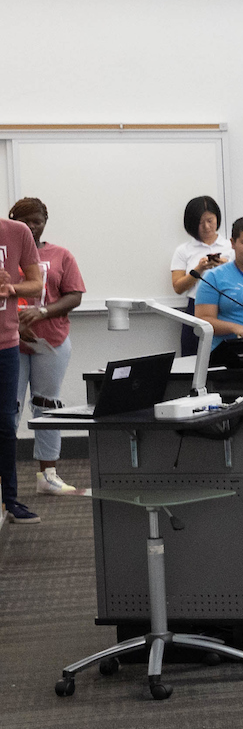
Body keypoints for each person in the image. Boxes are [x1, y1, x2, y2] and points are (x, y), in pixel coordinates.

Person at [10, 198, 84, 498]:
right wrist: (16, 320)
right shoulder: (5, 255)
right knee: (8, 409)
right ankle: (5, 480)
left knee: (47, 406)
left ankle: (48, 475)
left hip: (50, 341)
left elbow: (74, 295)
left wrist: (41, 313)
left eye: (37, 221)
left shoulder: (61, 254)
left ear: (45, 221)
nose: (31, 226)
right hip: (11, 342)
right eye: (25, 221)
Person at [0, 203, 40, 519]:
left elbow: (36, 283)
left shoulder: (17, 232)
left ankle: (10, 500)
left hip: (6, 344)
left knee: (5, 423)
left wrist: (11, 287)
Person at [193, 215, 243, 369]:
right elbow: (202, 321)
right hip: (231, 359)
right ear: (233, 243)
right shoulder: (214, 277)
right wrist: (235, 328)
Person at [169, 194, 233, 298]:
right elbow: (178, 288)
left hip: (227, 304)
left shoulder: (231, 247)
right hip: (196, 304)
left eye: (210, 220)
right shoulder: (183, 250)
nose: (207, 227)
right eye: (200, 222)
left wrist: (227, 266)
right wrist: (199, 269)